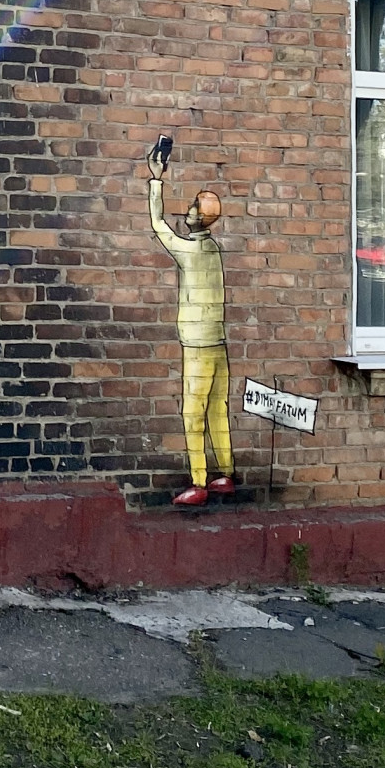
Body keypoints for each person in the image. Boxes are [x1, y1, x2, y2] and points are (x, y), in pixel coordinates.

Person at [146, 141, 240, 508]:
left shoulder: (190, 251)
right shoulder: (213, 249)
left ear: (199, 218)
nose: (186, 210)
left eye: (192, 207)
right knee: (218, 410)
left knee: (192, 414)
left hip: (198, 347)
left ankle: (199, 482)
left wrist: (157, 179)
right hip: (218, 344)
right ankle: (226, 473)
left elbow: (158, 225)